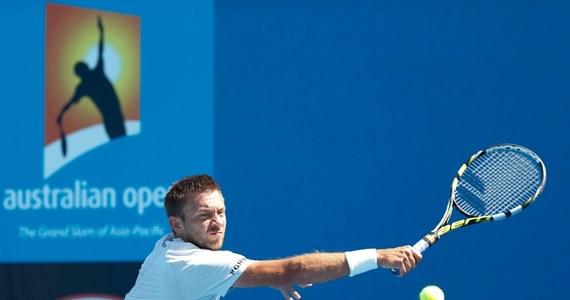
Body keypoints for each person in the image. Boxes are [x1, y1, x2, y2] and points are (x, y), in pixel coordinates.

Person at [125, 174, 421, 300]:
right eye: (204, 215)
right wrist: (379, 257)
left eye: (221, 212)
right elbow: (295, 269)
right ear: (176, 224)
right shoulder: (189, 263)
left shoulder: (169, 247)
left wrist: (268, 277)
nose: (217, 222)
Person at [57, 15, 126, 155]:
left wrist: (61, 114)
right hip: (111, 117)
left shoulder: (87, 82)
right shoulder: (89, 80)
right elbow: (70, 102)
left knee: (122, 146)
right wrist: (61, 114)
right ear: (83, 70)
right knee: (120, 148)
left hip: (113, 116)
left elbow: (101, 50)